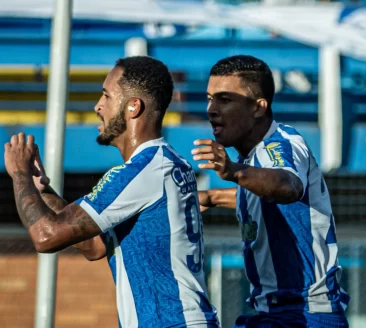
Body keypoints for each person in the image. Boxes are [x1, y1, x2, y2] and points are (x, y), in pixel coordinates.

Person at [3, 56, 219, 328]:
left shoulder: (144, 171)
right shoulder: (163, 165)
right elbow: (94, 246)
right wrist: (41, 190)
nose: (98, 106)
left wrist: (19, 173)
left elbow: (46, 236)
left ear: (133, 106)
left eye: (106, 95)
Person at [193, 55, 349, 328]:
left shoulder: (280, 145)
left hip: (305, 314)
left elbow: (288, 187)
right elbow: (268, 200)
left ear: (258, 107)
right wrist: (214, 197)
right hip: (276, 314)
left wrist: (233, 171)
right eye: (209, 98)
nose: (211, 109)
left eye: (225, 100)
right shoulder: (255, 162)